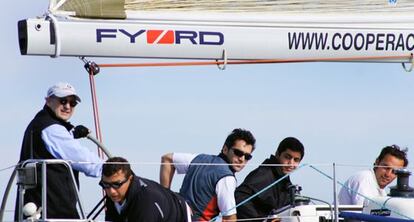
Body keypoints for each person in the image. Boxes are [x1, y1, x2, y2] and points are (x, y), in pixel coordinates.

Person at [16, 82, 103, 219]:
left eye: (72, 103)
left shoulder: (38, 124)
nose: (67, 106)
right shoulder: (51, 129)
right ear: (48, 101)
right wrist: (114, 170)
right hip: (54, 210)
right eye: (62, 101)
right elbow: (81, 158)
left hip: (35, 209)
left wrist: (72, 133)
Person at [160, 128, 256, 221]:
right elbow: (229, 219)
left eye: (247, 156)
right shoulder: (227, 178)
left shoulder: (198, 159)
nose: (242, 159)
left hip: (176, 216)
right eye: (238, 153)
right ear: (225, 149)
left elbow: (167, 159)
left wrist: (166, 198)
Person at [235, 137, 305, 221]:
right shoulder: (264, 173)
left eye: (296, 160)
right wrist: (262, 219)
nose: (291, 163)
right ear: (277, 154)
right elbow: (238, 197)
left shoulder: (283, 179)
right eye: (287, 157)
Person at [101, 157, 190, 222]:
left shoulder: (145, 201)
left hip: (181, 216)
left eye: (117, 184)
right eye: (106, 184)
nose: (111, 191)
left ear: (130, 179)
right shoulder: (114, 194)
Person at [338, 145, 408, 205]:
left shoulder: (382, 193)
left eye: (394, 171)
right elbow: (363, 215)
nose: (388, 174)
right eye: (386, 167)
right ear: (377, 162)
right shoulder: (364, 178)